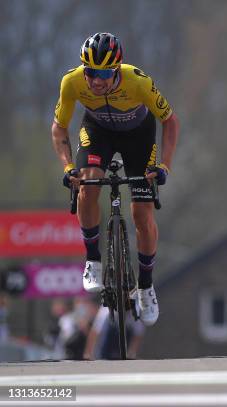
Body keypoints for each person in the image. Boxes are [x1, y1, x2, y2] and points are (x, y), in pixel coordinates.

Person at [51, 33, 179, 326]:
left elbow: (170, 121)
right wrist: (68, 166)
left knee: (142, 213)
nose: (96, 81)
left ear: (117, 69)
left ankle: (146, 287)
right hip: (98, 134)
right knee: (87, 182)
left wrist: (165, 167)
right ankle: (93, 259)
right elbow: (59, 128)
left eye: (104, 74)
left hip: (139, 137)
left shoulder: (138, 82)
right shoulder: (71, 82)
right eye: (90, 72)